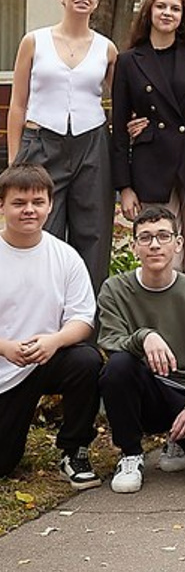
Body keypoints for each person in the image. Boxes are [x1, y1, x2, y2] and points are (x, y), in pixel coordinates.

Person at [7, 0, 118, 291]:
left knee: (93, 234)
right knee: (40, 229)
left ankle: (86, 329)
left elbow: (124, 101)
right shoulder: (34, 41)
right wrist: (16, 161)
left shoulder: (107, 49)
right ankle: (37, 316)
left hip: (92, 145)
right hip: (41, 143)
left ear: (97, 1)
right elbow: (17, 104)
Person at [97, 206, 185, 493]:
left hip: (184, 393)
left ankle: (176, 441)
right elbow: (110, 342)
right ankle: (130, 454)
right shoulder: (114, 290)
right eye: (146, 237)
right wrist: (145, 336)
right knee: (119, 365)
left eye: (163, 236)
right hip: (143, 391)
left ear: (178, 243)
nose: (154, 244)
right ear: (134, 245)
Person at [111, 0, 185, 284]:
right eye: (161, 6)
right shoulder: (129, 61)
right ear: (149, 11)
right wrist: (125, 187)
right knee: (160, 251)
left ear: (183, 16)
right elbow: (119, 129)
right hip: (151, 166)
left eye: (175, 8)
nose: (167, 13)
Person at [0, 164, 102, 488]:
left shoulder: (66, 256)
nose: (29, 210)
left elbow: (83, 318)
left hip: (45, 358)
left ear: (50, 204)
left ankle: (74, 451)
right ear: (1, 205)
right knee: (3, 464)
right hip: (4, 362)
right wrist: (4, 347)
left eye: (37, 201)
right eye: (19, 203)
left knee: (86, 360)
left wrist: (54, 341)